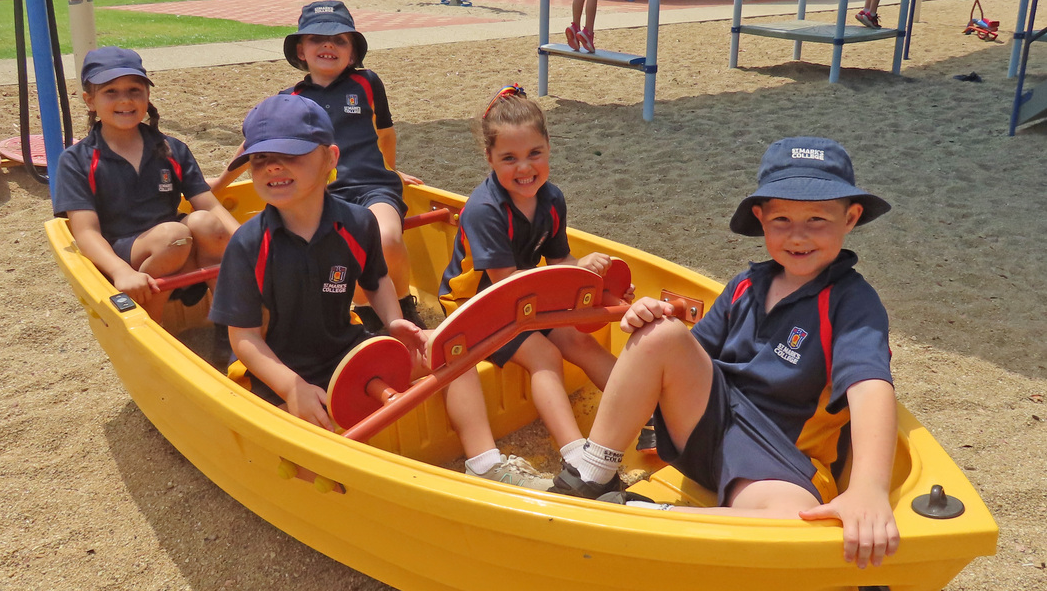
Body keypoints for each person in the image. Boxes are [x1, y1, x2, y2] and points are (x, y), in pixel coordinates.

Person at [550, 137, 901, 570]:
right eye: (782, 219)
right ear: (761, 218)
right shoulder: (744, 287)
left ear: (850, 218)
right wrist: (648, 316)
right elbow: (686, 360)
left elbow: (870, 387)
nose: (798, 235)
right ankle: (589, 474)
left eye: (817, 219)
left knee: (795, 523)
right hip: (707, 429)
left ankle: (647, 515)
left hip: (776, 459)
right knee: (661, 333)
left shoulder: (851, 302)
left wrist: (869, 488)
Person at [208, 94, 549, 490]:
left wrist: (393, 321)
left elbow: (376, 280)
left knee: (451, 351)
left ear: (330, 158)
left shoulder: (356, 223)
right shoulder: (249, 245)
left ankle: (484, 460)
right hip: (279, 370)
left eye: (291, 154)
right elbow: (244, 339)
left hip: (344, 348)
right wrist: (292, 387)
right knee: (301, 448)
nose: (273, 167)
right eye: (260, 159)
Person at [438, 84, 631, 481]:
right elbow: (504, 283)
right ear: (489, 158)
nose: (524, 169)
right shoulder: (485, 210)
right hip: (478, 306)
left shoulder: (551, 198)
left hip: (526, 298)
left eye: (534, 154)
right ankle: (575, 454)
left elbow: (560, 260)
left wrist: (587, 272)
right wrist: (565, 279)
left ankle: (646, 413)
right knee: (543, 353)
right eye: (509, 158)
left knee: (577, 338)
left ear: (548, 148)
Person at [209, 0, 426, 331]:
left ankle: (402, 306)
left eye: (340, 40)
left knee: (386, 240)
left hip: (373, 186)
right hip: (323, 195)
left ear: (352, 53)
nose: (328, 45)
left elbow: (385, 134)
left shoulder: (367, 82)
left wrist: (390, 171)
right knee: (338, 251)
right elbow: (256, 143)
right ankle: (365, 313)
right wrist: (219, 183)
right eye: (317, 39)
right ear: (301, 50)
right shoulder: (290, 98)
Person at [54, 46, 239, 323]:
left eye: (134, 90)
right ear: (90, 101)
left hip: (178, 248)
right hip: (124, 255)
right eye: (111, 92)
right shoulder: (77, 160)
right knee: (173, 237)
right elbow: (86, 233)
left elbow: (209, 205)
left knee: (205, 224)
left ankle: (230, 322)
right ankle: (151, 327)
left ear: (147, 95)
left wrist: (248, 243)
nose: (125, 100)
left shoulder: (171, 149)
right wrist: (120, 271)